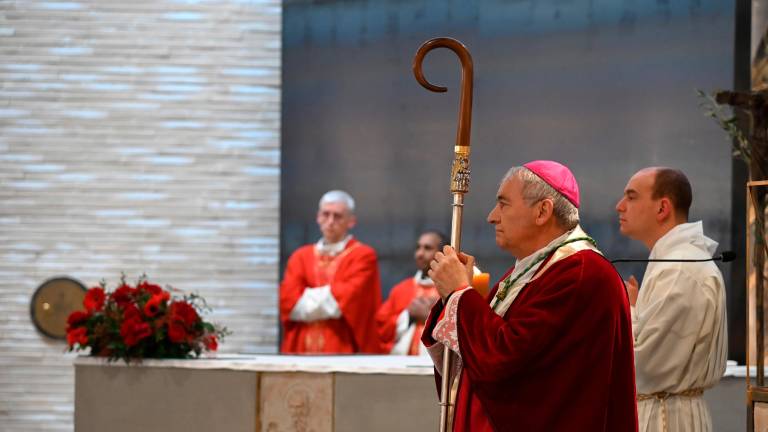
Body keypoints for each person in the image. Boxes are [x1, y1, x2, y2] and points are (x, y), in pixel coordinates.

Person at [422, 160, 638, 431]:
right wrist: (453, 298)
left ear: (542, 211)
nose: (492, 216)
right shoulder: (529, 271)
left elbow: (508, 363)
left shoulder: (582, 273)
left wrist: (460, 295)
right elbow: (477, 359)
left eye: (503, 204)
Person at [616, 167, 727, 432]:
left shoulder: (679, 269)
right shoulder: (675, 262)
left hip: (665, 418)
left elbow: (644, 366)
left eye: (631, 197)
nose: (619, 206)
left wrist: (628, 309)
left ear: (662, 208)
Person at [279, 190, 382, 354]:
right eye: (325, 215)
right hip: (300, 348)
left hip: (342, 346)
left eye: (338, 216)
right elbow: (289, 302)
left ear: (351, 221)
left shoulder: (363, 255)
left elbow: (347, 298)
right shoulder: (300, 256)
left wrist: (307, 296)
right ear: (318, 217)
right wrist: (331, 295)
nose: (330, 221)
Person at [376, 230, 447, 355]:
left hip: (438, 366)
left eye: (427, 248)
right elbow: (381, 327)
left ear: (442, 254)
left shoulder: (451, 289)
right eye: (418, 248)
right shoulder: (401, 289)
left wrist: (431, 318)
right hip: (403, 364)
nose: (420, 253)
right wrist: (408, 315)